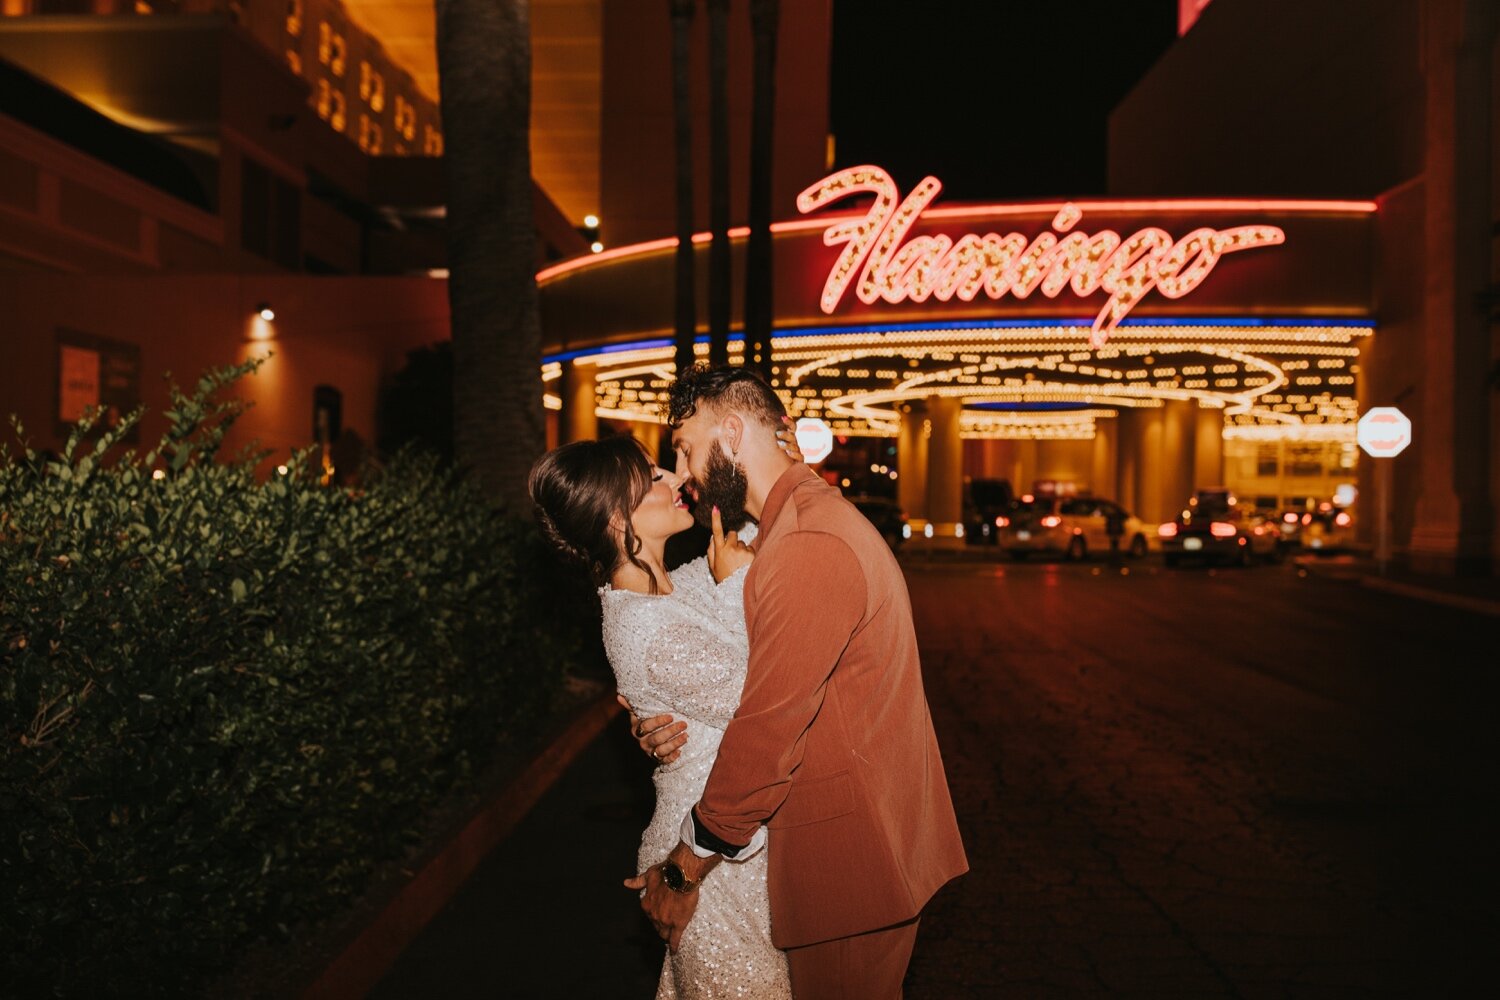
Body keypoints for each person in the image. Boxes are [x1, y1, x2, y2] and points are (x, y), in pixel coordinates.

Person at [628, 365, 968, 1000]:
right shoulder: (780, 530)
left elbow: (772, 723)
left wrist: (685, 865)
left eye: (686, 446)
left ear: (731, 432)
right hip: (848, 848)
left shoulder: (808, 542)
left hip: (850, 859)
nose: (682, 472)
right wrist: (661, 710)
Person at [528, 428, 803, 1000]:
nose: (677, 479)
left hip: (731, 845)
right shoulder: (641, 626)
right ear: (615, 519)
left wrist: (784, 461)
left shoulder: (672, 588)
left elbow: (749, 541)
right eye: (653, 479)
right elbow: (766, 695)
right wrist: (736, 586)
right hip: (711, 862)